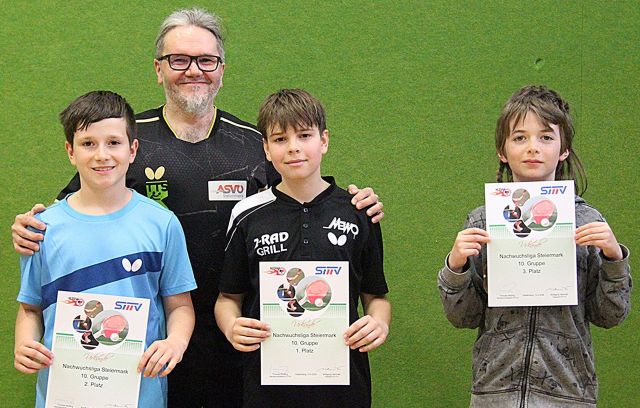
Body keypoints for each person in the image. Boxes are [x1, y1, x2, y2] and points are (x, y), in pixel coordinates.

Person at [11, 8, 384, 407]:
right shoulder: (125, 139)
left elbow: (301, 199)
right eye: (179, 60)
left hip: (240, 338)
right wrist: (29, 228)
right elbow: (71, 214)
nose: (194, 70)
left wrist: (356, 202)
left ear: (221, 70)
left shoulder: (253, 143)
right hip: (147, 344)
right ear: (158, 69)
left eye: (206, 60)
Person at [437, 85, 632, 407]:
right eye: (519, 137)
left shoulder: (587, 222)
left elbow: (610, 315)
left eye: (545, 137)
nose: (533, 148)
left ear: (564, 149)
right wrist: (455, 267)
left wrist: (614, 258)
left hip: (568, 392)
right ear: (502, 151)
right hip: (494, 391)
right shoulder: (482, 221)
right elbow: (463, 317)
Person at [14, 91, 196, 408]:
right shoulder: (41, 229)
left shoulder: (162, 224)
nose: (102, 155)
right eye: (88, 143)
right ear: (70, 151)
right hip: (64, 394)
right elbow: (30, 309)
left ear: (132, 150)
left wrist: (176, 343)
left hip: (141, 394)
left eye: (113, 142)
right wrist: (24, 344)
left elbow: (179, 305)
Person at [215, 89, 391, 407]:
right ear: (266, 148)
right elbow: (228, 299)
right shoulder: (247, 215)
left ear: (324, 140)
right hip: (267, 389)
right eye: (280, 139)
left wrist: (379, 323)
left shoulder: (359, 211)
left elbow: (376, 297)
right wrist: (231, 326)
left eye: (305, 135)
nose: (293, 147)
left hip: (343, 389)